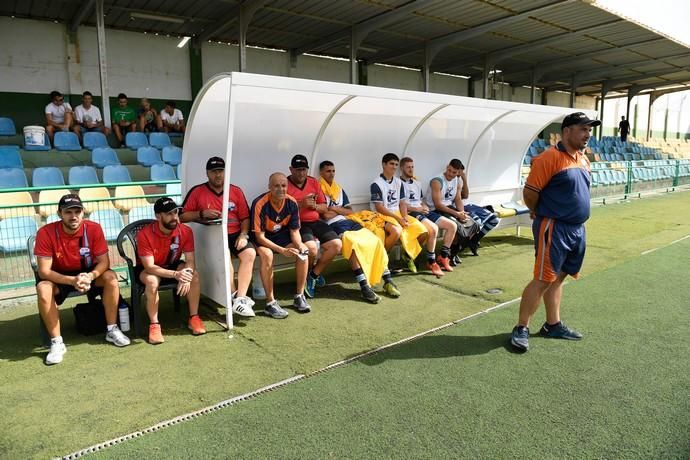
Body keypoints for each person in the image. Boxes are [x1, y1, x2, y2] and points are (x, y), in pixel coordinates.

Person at [510, 112, 600, 352]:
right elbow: (530, 193)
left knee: (558, 277)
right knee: (542, 279)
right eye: (583, 129)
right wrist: (538, 210)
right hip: (554, 227)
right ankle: (521, 327)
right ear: (567, 131)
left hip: (577, 229)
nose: (588, 135)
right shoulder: (549, 157)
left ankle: (553, 324)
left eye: (590, 130)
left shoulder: (583, 159)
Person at [34, 194, 130, 365]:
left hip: (87, 273)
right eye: (68, 212)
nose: (73, 216)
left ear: (83, 212)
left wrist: (91, 275)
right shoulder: (45, 233)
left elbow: (104, 262)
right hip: (60, 276)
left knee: (110, 277)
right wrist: (72, 280)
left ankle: (112, 329)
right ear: (59, 213)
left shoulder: (94, 229)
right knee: (43, 288)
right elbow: (44, 271)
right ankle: (57, 342)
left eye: (77, 211)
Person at [181, 157, 257, 317]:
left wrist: (243, 234)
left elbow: (245, 217)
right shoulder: (198, 191)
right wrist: (201, 213)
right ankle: (236, 296)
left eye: (221, 171)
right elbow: (182, 216)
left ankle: (240, 298)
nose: (218, 175)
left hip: (235, 234)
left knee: (250, 253)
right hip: (212, 237)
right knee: (225, 255)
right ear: (207, 173)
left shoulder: (235, 190)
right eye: (214, 171)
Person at [319, 160, 398, 303]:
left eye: (333, 171)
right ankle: (364, 287)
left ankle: (387, 280)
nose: (331, 174)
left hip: (349, 221)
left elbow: (350, 211)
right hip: (332, 226)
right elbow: (324, 215)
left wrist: (335, 209)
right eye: (328, 171)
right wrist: (338, 210)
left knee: (375, 240)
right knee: (353, 245)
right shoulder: (319, 189)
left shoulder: (339, 189)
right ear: (321, 173)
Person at [136, 197, 206, 344]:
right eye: (169, 214)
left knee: (194, 275)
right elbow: (149, 267)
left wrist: (186, 276)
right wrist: (176, 275)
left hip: (173, 264)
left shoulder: (185, 231)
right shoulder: (144, 234)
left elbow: (190, 260)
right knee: (152, 281)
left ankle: (194, 317)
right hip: (150, 269)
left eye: (175, 212)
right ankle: (154, 325)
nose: (174, 217)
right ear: (158, 216)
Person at [250, 172, 311, 318]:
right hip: (262, 238)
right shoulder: (259, 203)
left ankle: (299, 296)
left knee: (303, 252)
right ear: (269, 187)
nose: (280, 189)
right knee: (267, 254)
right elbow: (260, 237)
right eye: (276, 186)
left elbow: (295, 232)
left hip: (281, 236)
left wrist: (300, 244)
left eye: (283, 185)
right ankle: (270, 303)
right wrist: (282, 250)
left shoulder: (292, 202)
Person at [286, 154, 342, 299]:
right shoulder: (284, 184)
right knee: (311, 248)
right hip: (298, 224)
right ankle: (304, 279)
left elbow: (324, 208)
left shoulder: (313, 182)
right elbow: (281, 211)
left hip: (316, 221)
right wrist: (300, 204)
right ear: (291, 169)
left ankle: (313, 275)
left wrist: (315, 206)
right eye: (298, 170)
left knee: (336, 245)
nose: (301, 173)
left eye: (304, 169)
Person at [370, 153, 428, 272]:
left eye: (396, 164)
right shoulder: (376, 184)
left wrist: (405, 216)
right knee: (396, 231)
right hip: (381, 216)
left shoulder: (398, 182)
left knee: (424, 231)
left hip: (398, 214)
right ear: (383, 165)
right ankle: (383, 259)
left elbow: (402, 203)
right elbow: (379, 207)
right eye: (391, 164)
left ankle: (407, 256)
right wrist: (398, 219)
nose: (394, 167)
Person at [399, 157, 455, 276]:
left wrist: (424, 206)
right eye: (408, 167)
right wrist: (417, 209)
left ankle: (444, 257)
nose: (411, 169)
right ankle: (431, 261)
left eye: (412, 167)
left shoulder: (416, 182)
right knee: (433, 229)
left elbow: (419, 200)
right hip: (411, 213)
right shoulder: (398, 184)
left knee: (452, 225)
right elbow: (400, 205)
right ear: (401, 168)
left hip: (421, 210)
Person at [425, 159, 479, 266]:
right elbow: (438, 205)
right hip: (435, 210)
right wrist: (457, 214)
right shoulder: (437, 181)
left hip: (449, 208)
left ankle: (452, 253)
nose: (450, 174)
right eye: (449, 170)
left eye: (454, 172)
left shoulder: (458, 181)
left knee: (474, 224)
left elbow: (458, 199)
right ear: (447, 167)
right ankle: (447, 255)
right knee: (457, 227)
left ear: (458, 172)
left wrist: (462, 213)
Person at [457, 161, 501, 256]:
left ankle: (474, 240)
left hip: (469, 206)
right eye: (459, 171)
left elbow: (466, 195)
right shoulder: (450, 181)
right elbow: (461, 197)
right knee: (478, 222)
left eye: (461, 172)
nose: (459, 173)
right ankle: (467, 241)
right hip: (459, 208)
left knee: (494, 219)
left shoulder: (459, 181)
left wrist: (464, 178)